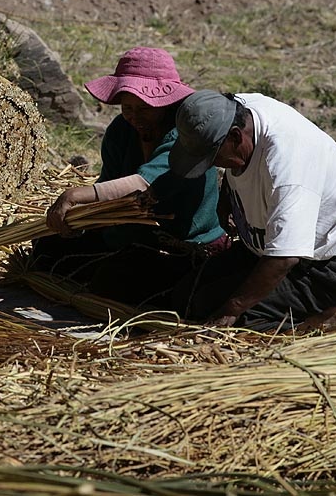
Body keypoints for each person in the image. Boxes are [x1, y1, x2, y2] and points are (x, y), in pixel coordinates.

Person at [34, 47, 228, 306]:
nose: (135, 117)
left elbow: (142, 184)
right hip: (129, 237)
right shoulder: (121, 131)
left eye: (144, 108)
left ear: (166, 103)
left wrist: (72, 195)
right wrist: (80, 220)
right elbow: (107, 187)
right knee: (47, 249)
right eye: (127, 107)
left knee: (112, 281)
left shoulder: (185, 137)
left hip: (181, 247)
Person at [167, 89, 336, 331]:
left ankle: (324, 315)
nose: (213, 166)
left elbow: (284, 258)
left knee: (215, 312)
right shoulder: (237, 110)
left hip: (319, 269)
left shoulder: (288, 168)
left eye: (213, 158)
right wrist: (227, 196)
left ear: (236, 136)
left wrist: (232, 309)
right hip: (261, 250)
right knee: (184, 298)